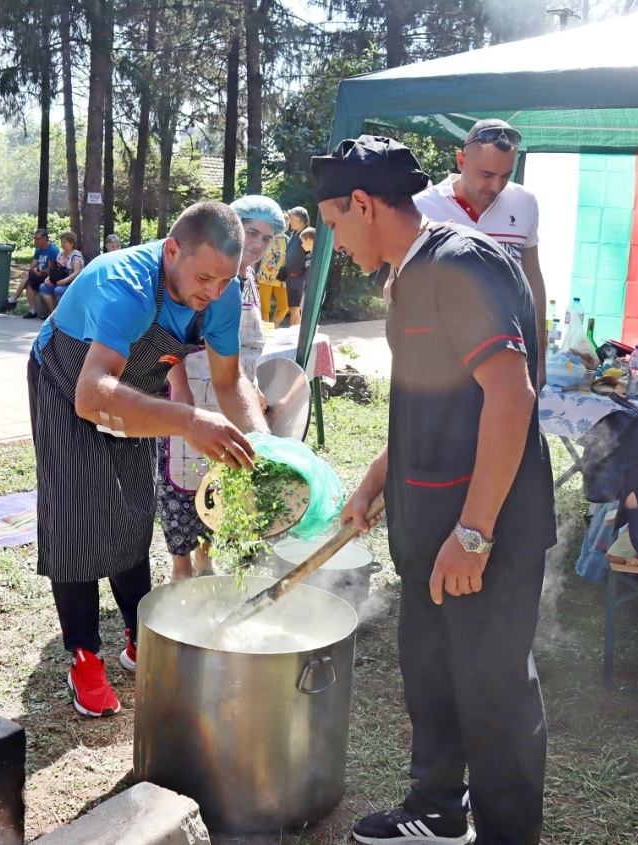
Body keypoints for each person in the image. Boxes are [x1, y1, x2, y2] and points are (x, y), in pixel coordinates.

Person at [311, 135, 556, 845]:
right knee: (433, 675)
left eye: (334, 222)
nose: (335, 238)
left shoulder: (459, 263)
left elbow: (511, 398)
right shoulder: (407, 277)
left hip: (483, 532)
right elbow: (427, 403)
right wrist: (371, 486)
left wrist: (473, 534)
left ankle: (509, 834)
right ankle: (439, 809)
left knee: (495, 690)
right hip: (428, 526)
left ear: (362, 203)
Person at [27, 201, 268, 719]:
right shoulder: (127, 284)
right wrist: (184, 420)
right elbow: (92, 397)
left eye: (226, 280)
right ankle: (85, 654)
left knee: (135, 506)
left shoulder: (220, 291)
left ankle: (140, 633)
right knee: (78, 513)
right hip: (67, 383)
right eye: (205, 277)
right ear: (172, 250)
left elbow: (229, 382)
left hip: (135, 388)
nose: (214, 292)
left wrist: (268, 449)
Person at [157, 195, 283, 580]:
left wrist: (255, 387)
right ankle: (181, 565)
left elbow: (249, 348)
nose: (258, 245)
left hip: (230, 393)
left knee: (219, 477)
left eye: (267, 238)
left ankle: (205, 557)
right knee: (182, 480)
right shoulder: (197, 273)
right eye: (251, 233)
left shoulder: (249, 284)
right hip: (191, 387)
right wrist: (181, 387)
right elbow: (166, 337)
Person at [411, 119, 548, 386]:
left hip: (511, 355)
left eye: (506, 176)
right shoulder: (422, 208)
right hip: (444, 362)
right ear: (461, 160)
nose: (496, 187)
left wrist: (539, 355)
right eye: (486, 174)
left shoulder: (525, 203)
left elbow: (532, 276)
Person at [4, 228, 60, 318]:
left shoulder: (53, 250)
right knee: (28, 283)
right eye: (34, 238)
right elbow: (32, 267)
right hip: (39, 275)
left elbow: (51, 271)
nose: (35, 241)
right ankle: (32, 310)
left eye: (38, 239)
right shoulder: (38, 249)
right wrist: (34, 270)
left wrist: (38, 271)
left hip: (48, 278)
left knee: (27, 275)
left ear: (45, 239)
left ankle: (14, 298)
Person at [39, 232, 84, 314]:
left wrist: (65, 281)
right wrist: (48, 278)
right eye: (62, 241)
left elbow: (76, 272)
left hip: (71, 283)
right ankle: (53, 312)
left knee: (58, 290)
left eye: (65, 242)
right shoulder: (60, 254)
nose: (62, 244)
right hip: (59, 280)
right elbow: (55, 269)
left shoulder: (76, 256)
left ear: (72, 244)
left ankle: (62, 313)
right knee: (43, 287)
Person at [256, 223, 288, 327]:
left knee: (284, 306)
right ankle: (264, 330)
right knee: (265, 307)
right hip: (264, 276)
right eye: (283, 221)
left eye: (287, 221)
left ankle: (272, 327)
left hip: (281, 278)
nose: (285, 224)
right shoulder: (268, 237)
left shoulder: (289, 240)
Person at [284, 206, 310, 326]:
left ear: (300, 220)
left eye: (292, 219)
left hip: (302, 278)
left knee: (300, 309)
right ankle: (294, 335)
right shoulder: (293, 235)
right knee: (293, 309)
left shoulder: (308, 235)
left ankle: (300, 337)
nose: (289, 221)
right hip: (291, 278)